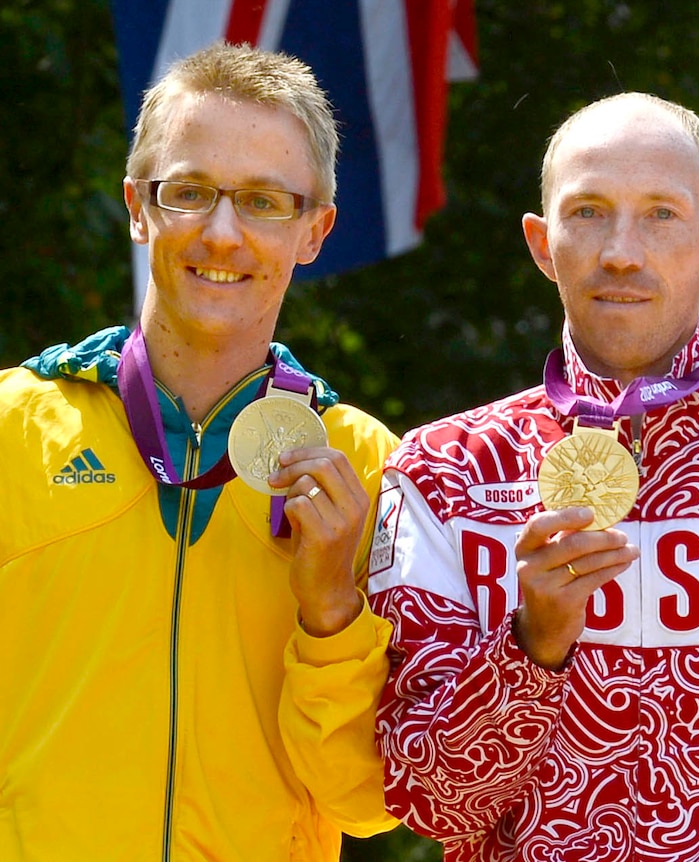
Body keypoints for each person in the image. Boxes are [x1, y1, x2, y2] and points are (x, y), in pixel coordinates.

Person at [367, 91, 699, 861]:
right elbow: (425, 803)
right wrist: (531, 649)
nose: (621, 251)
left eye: (662, 214)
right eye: (588, 212)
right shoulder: (440, 473)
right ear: (542, 243)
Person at [0, 41, 399, 862]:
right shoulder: (12, 428)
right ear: (138, 206)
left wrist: (331, 615)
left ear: (315, 229)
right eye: (189, 193)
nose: (222, 233)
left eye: (263, 201)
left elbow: (367, 805)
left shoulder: (371, 468)